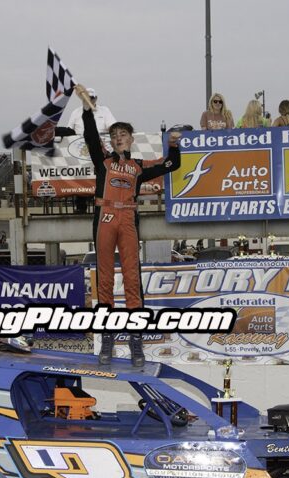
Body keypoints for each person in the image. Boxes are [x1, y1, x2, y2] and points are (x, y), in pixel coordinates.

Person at [76, 83, 181, 367]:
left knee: (133, 279)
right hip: (105, 218)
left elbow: (171, 165)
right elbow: (88, 135)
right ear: (110, 142)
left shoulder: (138, 166)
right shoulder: (103, 161)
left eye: (123, 134)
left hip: (128, 220)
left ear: (131, 139)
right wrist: (87, 111)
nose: (118, 138)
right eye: (114, 135)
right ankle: (107, 340)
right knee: (105, 281)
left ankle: (136, 342)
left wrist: (174, 141)